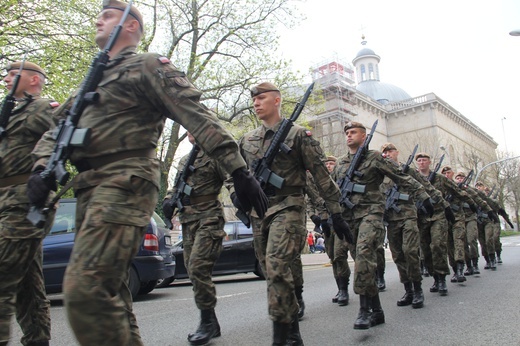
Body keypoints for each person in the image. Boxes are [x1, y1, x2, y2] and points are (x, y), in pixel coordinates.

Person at [26, 2, 268, 345]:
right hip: (88, 189)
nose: (99, 19)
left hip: (125, 181)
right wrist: (40, 168)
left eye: (108, 15)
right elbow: (54, 130)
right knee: (111, 294)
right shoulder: (90, 82)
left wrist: (239, 172)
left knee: (87, 290)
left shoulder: (148, 66)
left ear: (131, 27)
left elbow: (196, 115)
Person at [231, 82, 352, 345]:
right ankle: (293, 329)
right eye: (254, 100)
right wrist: (234, 193)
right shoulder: (247, 140)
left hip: (289, 207)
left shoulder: (298, 136)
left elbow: (322, 177)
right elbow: (235, 174)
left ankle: (282, 337)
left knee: (276, 267)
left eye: (262, 98)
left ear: (277, 100)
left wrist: (336, 213)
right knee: (270, 272)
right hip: (259, 212)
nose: (256, 103)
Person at [331, 122, 431, 330]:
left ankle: (364, 310)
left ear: (364, 135)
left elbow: (400, 176)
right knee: (360, 261)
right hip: (349, 218)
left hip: (371, 213)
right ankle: (377, 311)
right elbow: (331, 189)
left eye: (353, 132)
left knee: (365, 255)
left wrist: (423, 195)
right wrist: (329, 214)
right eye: (347, 133)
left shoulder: (374, 157)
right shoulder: (340, 163)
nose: (349, 136)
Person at [0, 61, 57, 346]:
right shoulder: (7, 112)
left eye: (13, 74)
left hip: (25, 202)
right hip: (5, 203)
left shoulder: (41, 108)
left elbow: (60, 140)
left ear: (35, 80)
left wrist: (44, 171)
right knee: (26, 286)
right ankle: (38, 340)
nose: (7, 78)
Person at [162, 132, 228, 345]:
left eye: (193, 126)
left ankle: (206, 323)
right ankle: (212, 321)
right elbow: (175, 187)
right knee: (194, 271)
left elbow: (232, 178)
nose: (190, 131)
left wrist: (240, 196)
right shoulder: (184, 160)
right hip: (188, 220)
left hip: (209, 217)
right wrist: (168, 200)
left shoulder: (215, 154)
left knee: (198, 267)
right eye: (186, 127)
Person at [379, 143, 430, 309]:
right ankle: (408, 289)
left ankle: (417, 289)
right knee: (398, 255)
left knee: (410, 251)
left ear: (396, 153)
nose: (387, 154)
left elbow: (423, 184)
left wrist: (431, 200)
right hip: (390, 218)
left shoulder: (406, 170)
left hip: (408, 214)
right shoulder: (379, 172)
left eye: (389, 151)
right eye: (384, 152)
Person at [414, 153, 457, 296]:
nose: (421, 163)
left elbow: (457, 190)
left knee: (438, 245)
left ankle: (442, 278)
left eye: (424, 160)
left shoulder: (439, 178)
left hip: (438, 215)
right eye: (419, 160)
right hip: (421, 217)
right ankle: (435, 277)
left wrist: (449, 207)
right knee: (425, 251)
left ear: (429, 162)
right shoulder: (412, 178)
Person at [441, 166, 477, 283]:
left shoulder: (458, 186)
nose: (446, 175)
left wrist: (474, 205)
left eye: (448, 172)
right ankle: (455, 269)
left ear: (452, 174)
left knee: (459, 241)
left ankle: (463, 268)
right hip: (445, 219)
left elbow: (473, 196)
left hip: (458, 218)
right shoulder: (439, 185)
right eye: (444, 173)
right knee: (449, 246)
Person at [453, 171, 491, 275]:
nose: (460, 180)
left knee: (472, 239)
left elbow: (480, 199)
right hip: (459, 218)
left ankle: (475, 264)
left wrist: (489, 210)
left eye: (462, 178)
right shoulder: (453, 190)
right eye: (458, 178)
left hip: (471, 217)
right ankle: (468, 266)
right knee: (462, 243)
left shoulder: (471, 190)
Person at [474, 182, 500, 270]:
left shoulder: (487, 199)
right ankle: (487, 260)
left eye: (480, 186)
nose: (478, 188)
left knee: (489, 238)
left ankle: (493, 259)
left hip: (488, 221)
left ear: (483, 188)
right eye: (477, 186)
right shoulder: (473, 197)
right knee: (482, 242)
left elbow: (497, 207)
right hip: (478, 222)